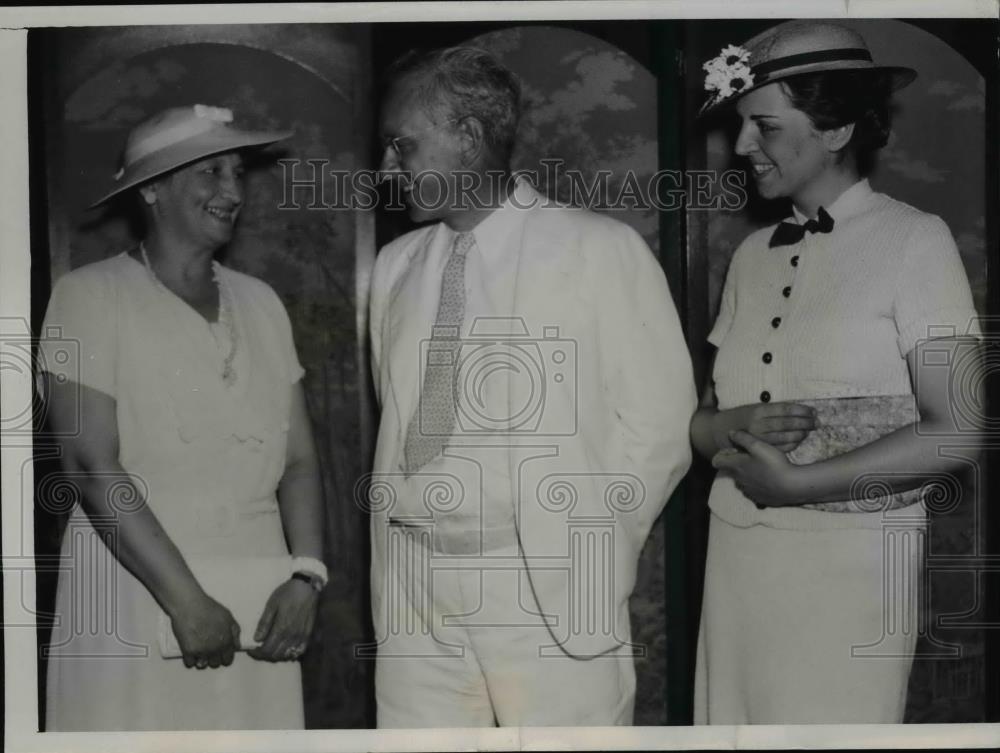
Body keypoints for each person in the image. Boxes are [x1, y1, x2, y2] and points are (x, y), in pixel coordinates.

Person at [367, 47, 696, 727]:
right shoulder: (393, 267)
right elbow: (395, 420)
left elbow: (660, 428)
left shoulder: (597, 249)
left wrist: (585, 551)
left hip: (543, 589)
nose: (386, 168)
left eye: (403, 144)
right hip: (413, 596)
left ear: (469, 134)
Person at [690, 21, 984, 724]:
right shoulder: (754, 255)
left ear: (836, 129)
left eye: (764, 125)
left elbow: (959, 433)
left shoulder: (916, 240)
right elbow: (702, 423)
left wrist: (799, 483)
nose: (741, 147)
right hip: (737, 554)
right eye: (740, 126)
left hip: (853, 568)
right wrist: (728, 427)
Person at [39, 104, 327, 730]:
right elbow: (90, 466)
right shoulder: (88, 296)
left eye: (237, 170)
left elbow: (300, 463)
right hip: (136, 589)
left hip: (260, 597)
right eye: (210, 171)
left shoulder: (261, 302)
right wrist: (186, 601)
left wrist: (306, 576)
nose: (232, 190)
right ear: (151, 189)